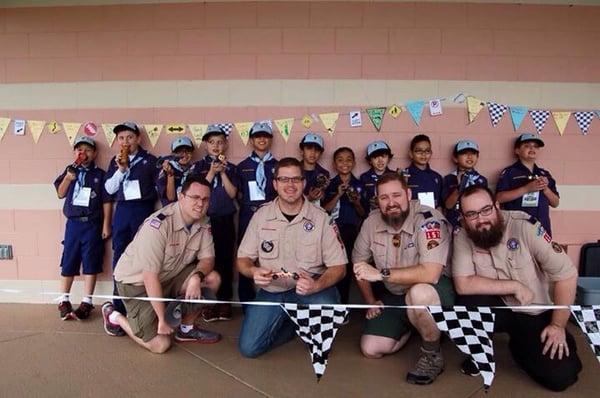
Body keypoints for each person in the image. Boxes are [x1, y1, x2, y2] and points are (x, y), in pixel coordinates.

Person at [452, 185, 582, 392]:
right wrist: (513, 285)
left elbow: (566, 275)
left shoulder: (525, 226)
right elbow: (463, 283)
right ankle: (480, 352)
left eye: (486, 210)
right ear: (464, 217)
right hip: (499, 308)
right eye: (472, 214)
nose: (481, 219)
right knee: (467, 303)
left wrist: (557, 325)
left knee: (560, 377)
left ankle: (528, 343)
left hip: (533, 311)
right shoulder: (462, 235)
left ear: (496, 205)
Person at [237, 157, 347, 358]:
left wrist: (317, 285)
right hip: (273, 290)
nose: (290, 185)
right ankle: (292, 325)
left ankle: (307, 324)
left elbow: (339, 267)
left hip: (311, 291)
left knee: (322, 343)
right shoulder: (261, 216)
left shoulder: (322, 218)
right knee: (249, 348)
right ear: (275, 184)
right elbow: (243, 259)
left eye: (296, 179)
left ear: (304, 183)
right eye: (284, 179)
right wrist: (253, 271)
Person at [352, 172, 454, 385]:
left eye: (396, 195)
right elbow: (359, 265)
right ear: (377, 200)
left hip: (433, 291)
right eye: (384, 198)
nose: (391, 203)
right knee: (371, 349)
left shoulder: (429, 220)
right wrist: (370, 301)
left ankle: (432, 354)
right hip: (396, 294)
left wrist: (380, 274)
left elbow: (430, 273)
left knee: (419, 294)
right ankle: (417, 326)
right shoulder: (371, 223)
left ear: (408, 194)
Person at [101, 175, 222, 353]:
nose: (200, 204)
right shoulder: (158, 225)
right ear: (181, 197)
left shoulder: (203, 220)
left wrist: (197, 277)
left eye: (205, 199)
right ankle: (114, 316)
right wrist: (162, 321)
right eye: (195, 198)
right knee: (161, 345)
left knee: (212, 279)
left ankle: (186, 329)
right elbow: (149, 276)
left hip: (169, 276)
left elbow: (208, 259)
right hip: (137, 285)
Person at [54, 136, 111, 320]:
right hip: (73, 224)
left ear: (94, 153)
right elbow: (60, 193)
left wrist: (105, 225)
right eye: (79, 150)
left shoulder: (100, 175)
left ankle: (87, 301)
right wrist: (69, 179)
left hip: (92, 224)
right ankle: (64, 300)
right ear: (75, 153)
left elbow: (106, 201)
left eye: (87, 150)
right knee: (68, 259)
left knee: (91, 261)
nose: (83, 153)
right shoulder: (70, 170)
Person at [104, 121, 159, 314]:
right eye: (121, 138)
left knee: (144, 256)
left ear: (138, 138)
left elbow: (160, 191)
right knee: (119, 256)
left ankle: (142, 305)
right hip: (123, 210)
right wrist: (121, 170)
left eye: (129, 137)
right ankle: (118, 305)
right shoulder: (115, 161)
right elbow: (109, 189)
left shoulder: (151, 161)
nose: (125, 141)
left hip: (143, 210)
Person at [191, 125, 239, 322]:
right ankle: (208, 303)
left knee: (225, 261)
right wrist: (211, 172)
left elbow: (232, 194)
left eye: (220, 142)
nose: (216, 146)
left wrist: (223, 172)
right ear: (205, 145)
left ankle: (224, 301)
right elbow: (199, 191)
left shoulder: (232, 168)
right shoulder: (198, 167)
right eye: (212, 142)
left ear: (226, 145)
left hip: (225, 220)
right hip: (204, 221)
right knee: (205, 262)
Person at [236, 121, 278, 303]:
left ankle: (273, 299)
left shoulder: (278, 166)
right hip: (248, 215)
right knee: (246, 258)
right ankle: (247, 303)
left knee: (274, 256)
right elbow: (238, 194)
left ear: (270, 140)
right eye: (257, 136)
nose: (261, 139)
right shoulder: (242, 166)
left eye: (265, 136)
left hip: (272, 217)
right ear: (251, 140)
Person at [322, 147, 366, 303]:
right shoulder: (329, 184)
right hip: (331, 233)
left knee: (347, 270)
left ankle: (343, 306)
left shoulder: (359, 184)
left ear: (354, 162)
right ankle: (330, 305)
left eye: (348, 159)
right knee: (330, 268)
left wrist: (356, 202)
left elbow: (362, 213)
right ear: (334, 164)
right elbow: (324, 210)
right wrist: (338, 194)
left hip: (351, 233)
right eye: (340, 160)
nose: (344, 163)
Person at [496, 133, 559, 236]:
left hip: (542, 228)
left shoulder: (545, 174)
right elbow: (499, 198)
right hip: (517, 228)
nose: (532, 148)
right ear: (517, 150)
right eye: (527, 145)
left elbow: (555, 203)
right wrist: (526, 189)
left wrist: (545, 189)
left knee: (542, 252)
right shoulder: (509, 172)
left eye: (536, 146)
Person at [441, 139, 488, 227]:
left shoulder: (481, 180)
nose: (469, 157)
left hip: (475, 223)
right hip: (454, 224)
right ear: (455, 158)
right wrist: (459, 187)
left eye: (473, 153)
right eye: (464, 153)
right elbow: (448, 206)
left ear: (477, 157)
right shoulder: (449, 179)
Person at [401, 134, 443, 210]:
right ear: (411, 154)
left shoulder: (437, 177)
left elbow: (440, 205)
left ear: (431, 153)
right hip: (412, 217)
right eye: (418, 151)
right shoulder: (404, 176)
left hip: (433, 218)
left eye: (427, 151)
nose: (423, 154)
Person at [156, 136, 195, 206]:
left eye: (187, 150)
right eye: (179, 151)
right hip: (171, 209)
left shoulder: (194, 169)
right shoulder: (165, 169)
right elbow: (171, 197)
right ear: (173, 154)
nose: (184, 154)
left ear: (192, 153)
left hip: (190, 208)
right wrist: (170, 174)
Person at [360, 140, 394, 213]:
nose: (380, 160)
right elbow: (362, 201)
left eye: (384, 156)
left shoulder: (394, 176)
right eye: (375, 157)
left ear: (389, 158)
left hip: (391, 214)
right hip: (372, 215)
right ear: (370, 161)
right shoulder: (365, 177)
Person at [299, 132, 330, 205]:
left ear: (321, 153)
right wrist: (309, 198)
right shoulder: (293, 171)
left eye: (317, 150)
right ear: (302, 151)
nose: (313, 153)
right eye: (309, 148)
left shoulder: (324, 174)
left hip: (316, 213)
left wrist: (321, 194)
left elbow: (324, 201)